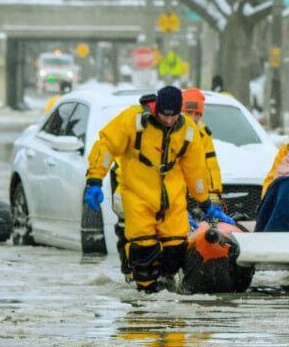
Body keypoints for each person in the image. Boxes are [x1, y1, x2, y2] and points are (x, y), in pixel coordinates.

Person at [84, 86, 230, 292]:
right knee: (144, 249)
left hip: (171, 199)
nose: (168, 120)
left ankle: (166, 285)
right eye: (164, 115)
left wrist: (205, 202)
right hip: (137, 194)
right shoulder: (133, 121)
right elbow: (106, 145)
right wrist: (94, 180)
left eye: (173, 115)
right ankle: (145, 295)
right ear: (156, 109)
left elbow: (195, 172)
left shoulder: (188, 132)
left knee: (176, 248)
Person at [181, 88, 226, 218]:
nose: (193, 118)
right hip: (180, 199)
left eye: (197, 114)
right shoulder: (174, 134)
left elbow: (211, 168)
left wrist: (214, 200)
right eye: (188, 113)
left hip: (201, 200)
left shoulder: (204, 133)